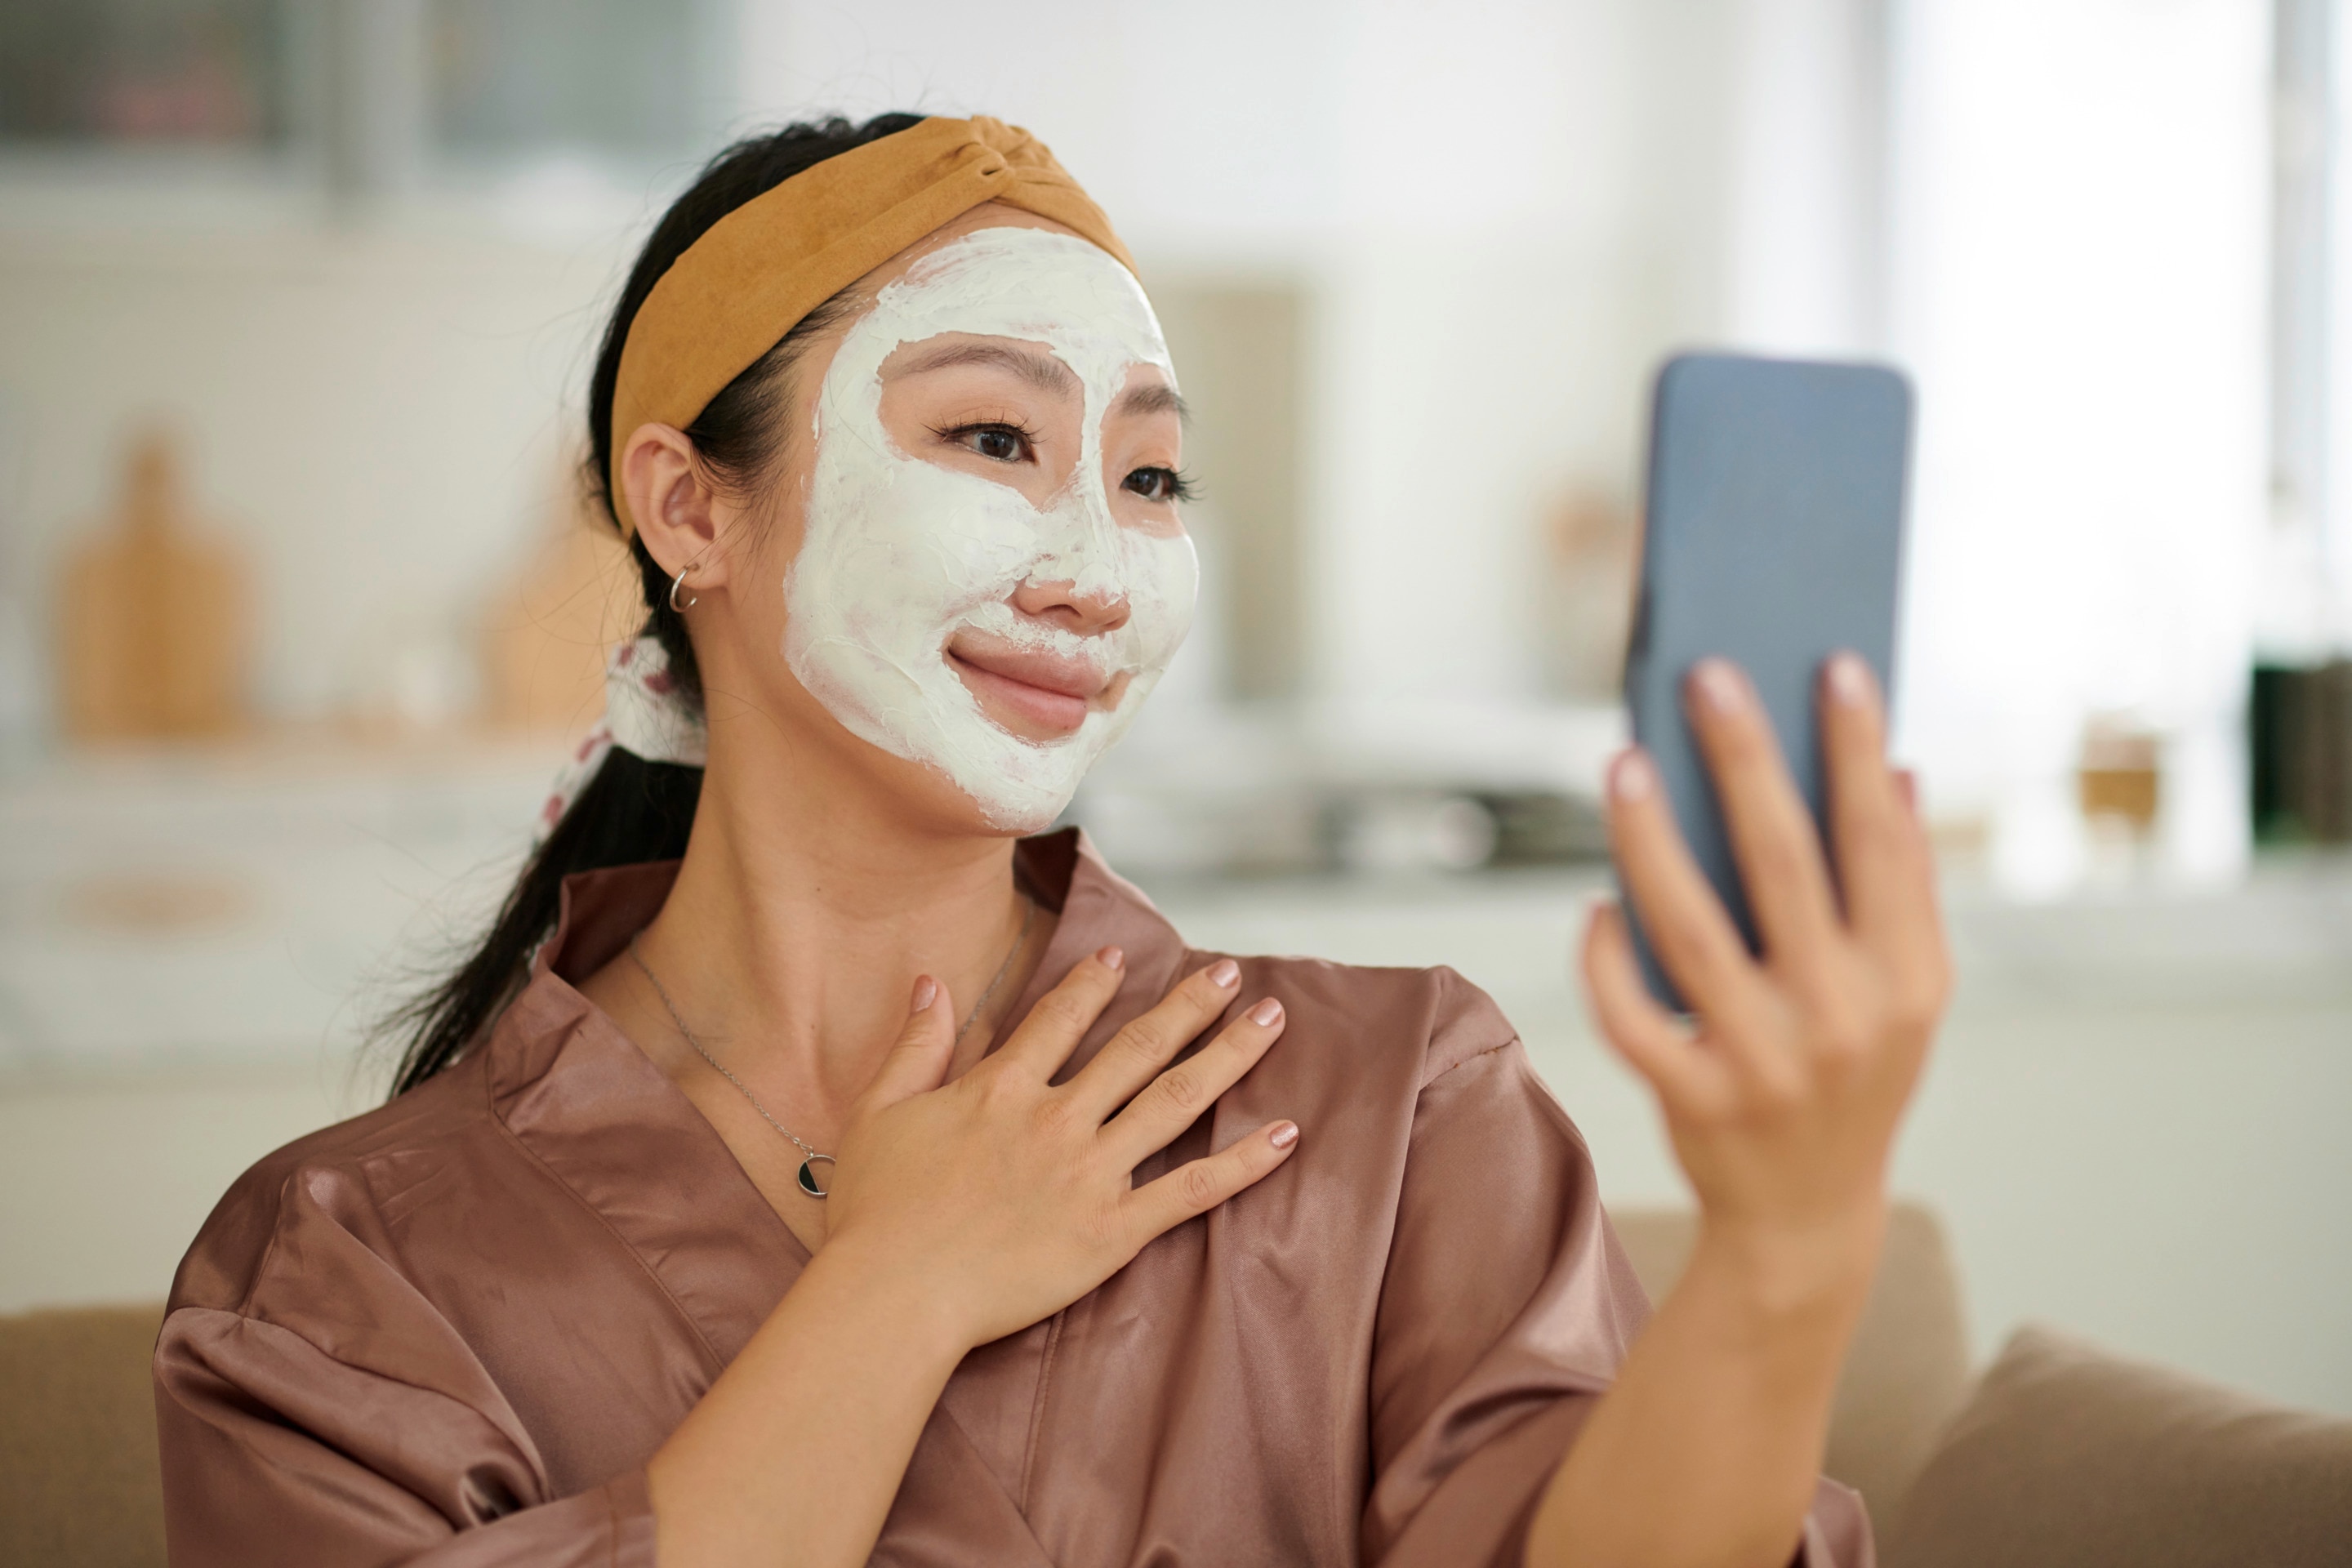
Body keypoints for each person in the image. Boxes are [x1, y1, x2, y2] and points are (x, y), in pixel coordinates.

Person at [153, 114, 1949, 1568]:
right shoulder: (336, 1279)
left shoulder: (1396, 1108)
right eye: (993, 436)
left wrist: (1792, 1255)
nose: (1094, 568)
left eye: (1150, 478)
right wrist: (896, 1289)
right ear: (689, 506)